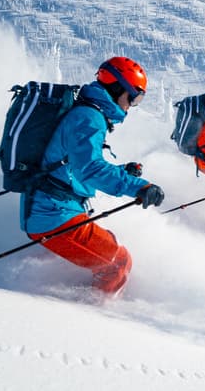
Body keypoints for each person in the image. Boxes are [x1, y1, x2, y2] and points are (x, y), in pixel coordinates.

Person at [20, 56, 165, 297]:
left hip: (53, 209)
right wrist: (138, 187)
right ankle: (91, 311)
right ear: (118, 89)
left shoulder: (88, 112)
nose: (132, 105)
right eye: (134, 97)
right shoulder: (89, 118)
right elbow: (89, 169)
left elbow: (73, 164)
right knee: (118, 263)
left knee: (109, 245)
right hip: (54, 215)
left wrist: (122, 171)